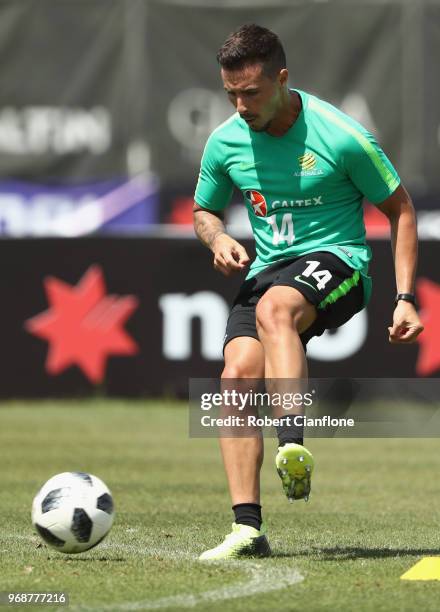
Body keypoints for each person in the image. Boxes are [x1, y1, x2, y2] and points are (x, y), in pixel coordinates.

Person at [193, 24, 424, 560]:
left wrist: (405, 296)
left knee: (276, 309)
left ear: (282, 78)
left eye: (251, 92)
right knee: (236, 376)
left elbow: (401, 209)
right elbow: (203, 210)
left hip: (340, 264)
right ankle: (247, 529)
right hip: (271, 267)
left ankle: (292, 443)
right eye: (230, 94)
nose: (240, 105)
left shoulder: (341, 135)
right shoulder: (226, 139)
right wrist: (218, 235)